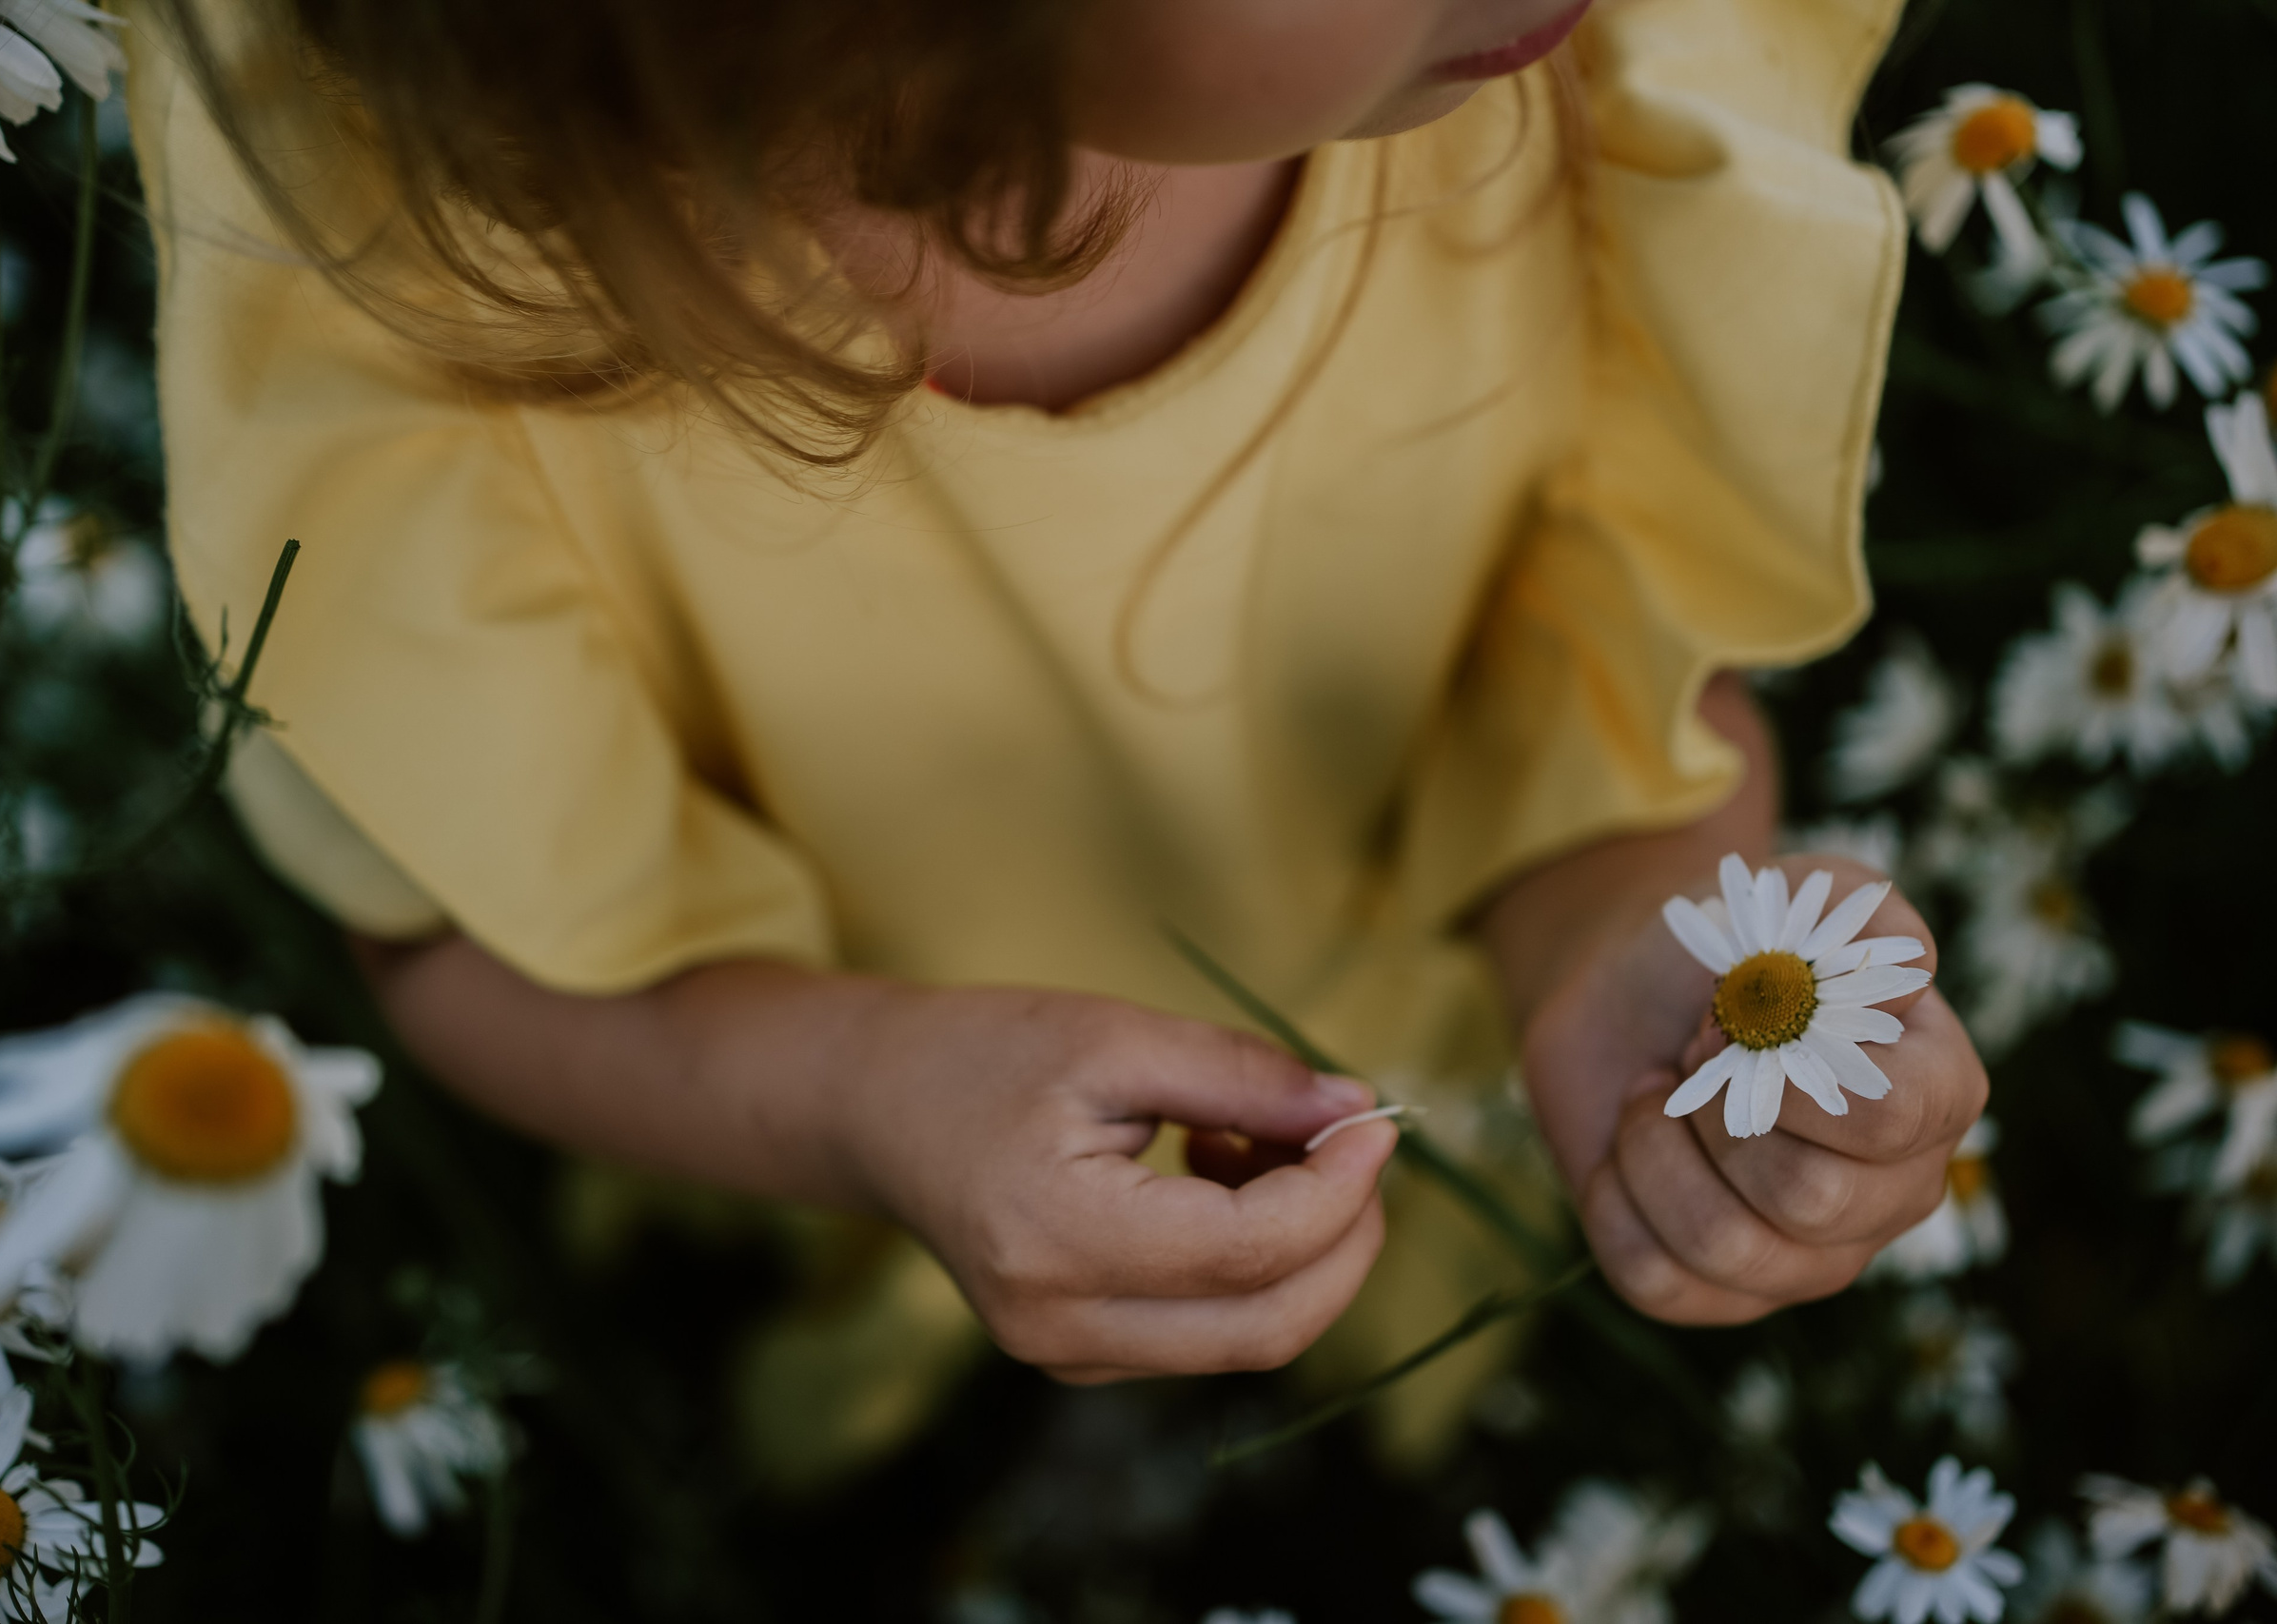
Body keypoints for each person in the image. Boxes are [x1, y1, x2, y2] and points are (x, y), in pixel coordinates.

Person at [127, 0, 1984, 1474]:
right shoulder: (415, 294)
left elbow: (1594, 655)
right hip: (827, 1080)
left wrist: (1628, 936)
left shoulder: (1561, 76)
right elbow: (457, 927)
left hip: (1419, 1025)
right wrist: (871, 1103)